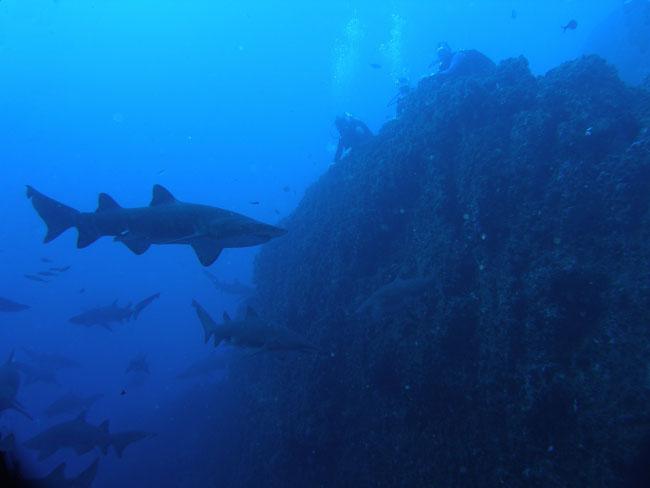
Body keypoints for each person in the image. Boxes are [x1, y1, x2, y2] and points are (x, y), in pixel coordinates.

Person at [431, 42, 496, 78]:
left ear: (449, 51)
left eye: (443, 52)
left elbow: (451, 70)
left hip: (483, 73)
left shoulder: (458, 55)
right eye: (440, 54)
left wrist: (434, 75)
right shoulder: (443, 64)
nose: (442, 55)